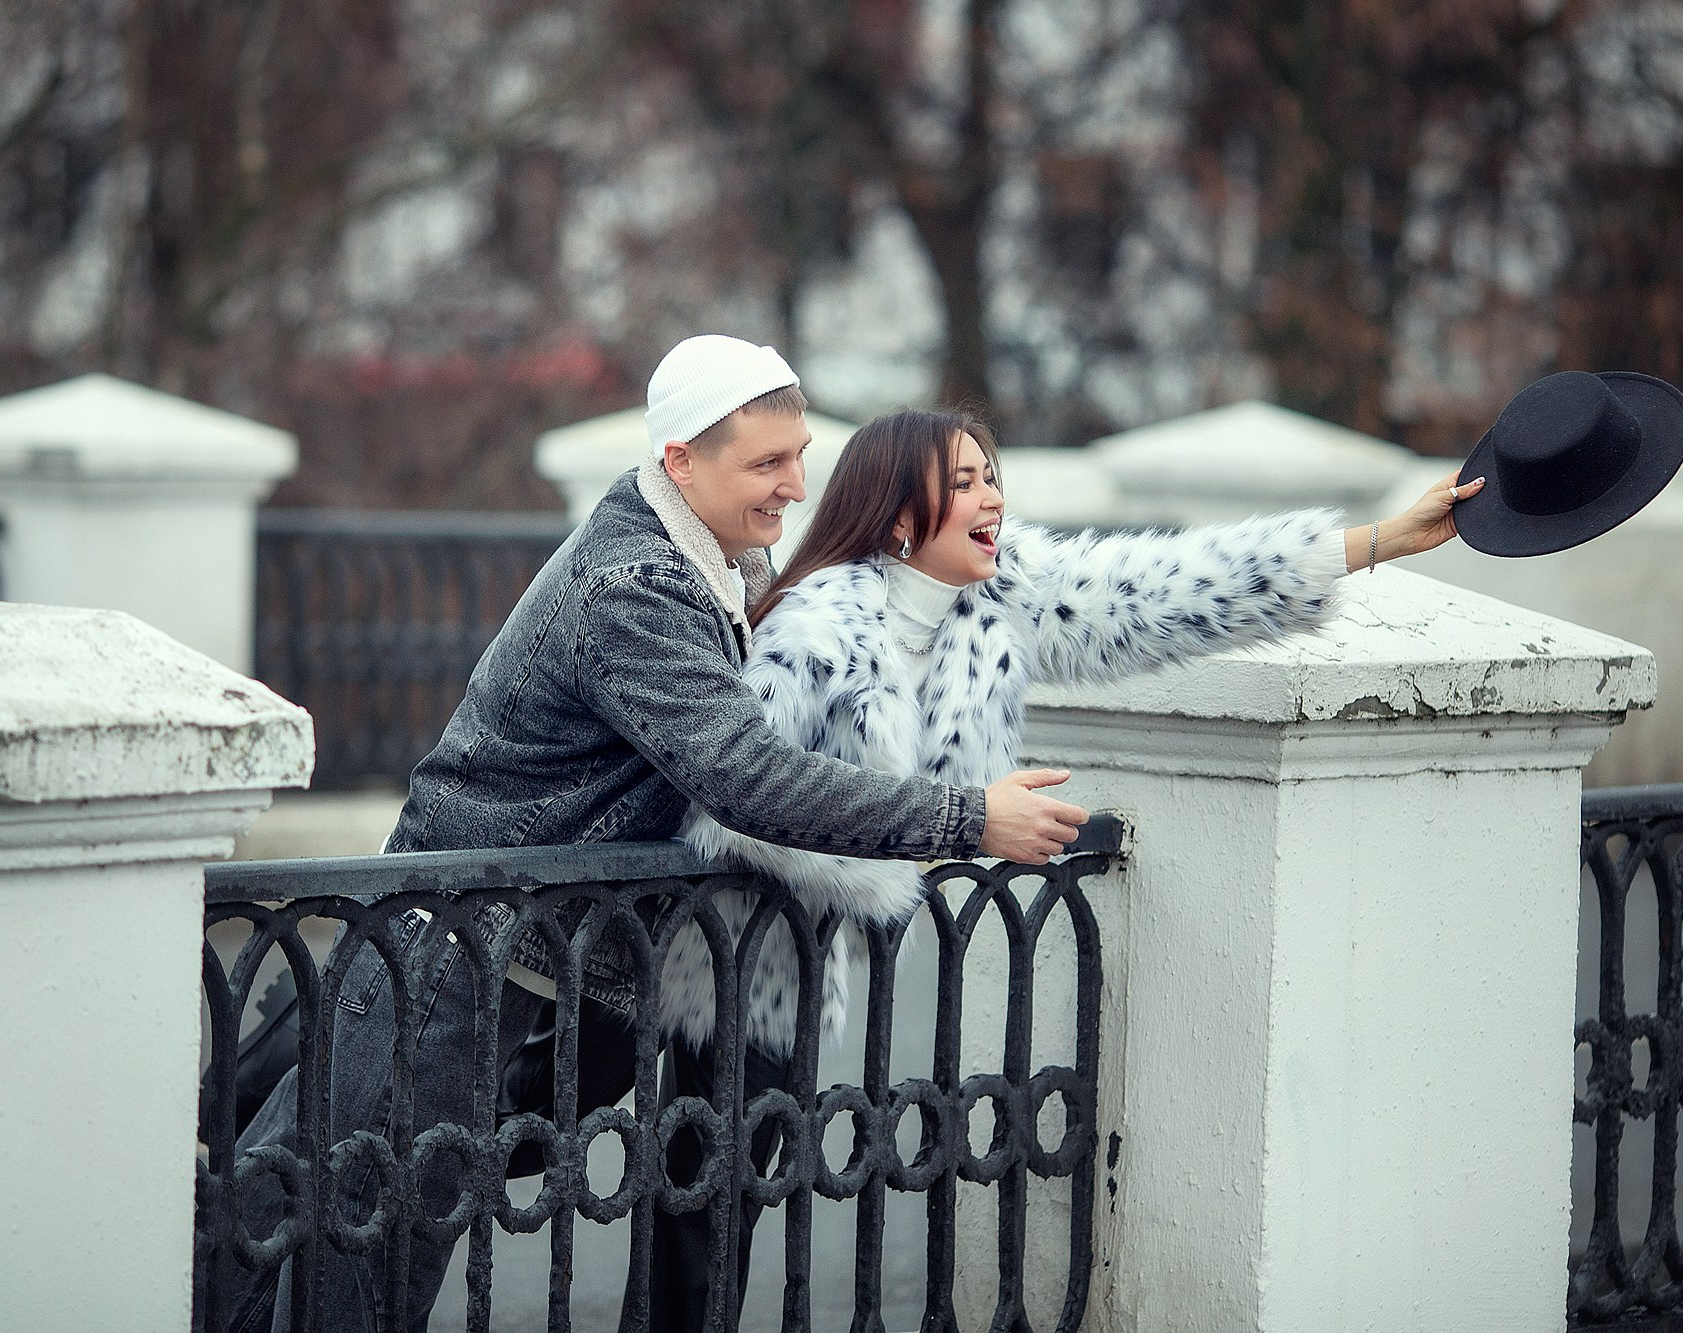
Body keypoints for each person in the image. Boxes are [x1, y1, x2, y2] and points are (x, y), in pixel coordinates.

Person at [210, 339, 1092, 1333]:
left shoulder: (710, 561)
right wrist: (967, 816)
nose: (795, 485)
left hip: (496, 942)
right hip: (451, 944)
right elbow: (746, 775)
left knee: (298, 1188)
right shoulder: (635, 584)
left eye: (798, 455)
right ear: (681, 461)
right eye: (767, 464)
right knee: (362, 1232)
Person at [654, 407, 1484, 1070]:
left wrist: (1387, 540)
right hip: (729, 950)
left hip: (813, 954)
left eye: (992, 479)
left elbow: (1162, 593)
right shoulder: (816, 626)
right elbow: (731, 805)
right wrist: (917, 846)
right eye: (966, 484)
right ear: (905, 514)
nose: (993, 501)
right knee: (691, 1193)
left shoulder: (998, 599)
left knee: (740, 1201)